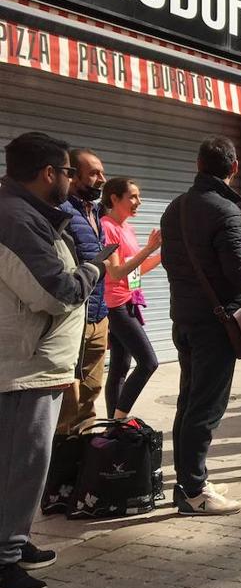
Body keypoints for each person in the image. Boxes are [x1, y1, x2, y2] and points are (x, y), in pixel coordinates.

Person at [0, 132, 105, 588]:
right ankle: (3, 562)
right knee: (20, 463)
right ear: (49, 174)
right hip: (23, 365)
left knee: (27, 461)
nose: (71, 180)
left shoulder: (28, 214)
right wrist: (91, 271)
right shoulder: (17, 218)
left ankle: (15, 542)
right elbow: (54, 291)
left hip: (32, 361)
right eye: (67, 171)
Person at [161, 136, 241, 515]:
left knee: (188, 401)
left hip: (184, 318)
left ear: (197, 164)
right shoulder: (226, 211)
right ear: (234, 168)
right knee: (206, 407)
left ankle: (190, 480)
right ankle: (193, 492)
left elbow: (169, 262)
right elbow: (238, 268)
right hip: (215, 322)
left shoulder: (174, 208)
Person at [99, 178, 162, 419]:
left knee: (119, 368)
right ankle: (119, 419)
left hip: (129, 300)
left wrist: (162, 253)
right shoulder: (107, 227)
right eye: (133, 197)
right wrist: (148, 249)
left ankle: (112, 429)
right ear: (114, 199)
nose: (139, 202)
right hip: (116, 305)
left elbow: (134, 271)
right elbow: (115, 272)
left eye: (139, 196)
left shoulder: (127, 228)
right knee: (148, 362)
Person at [57, 148, 109, 434]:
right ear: (73, 176)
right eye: (93, 173)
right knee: (69, 397)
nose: (102, 178)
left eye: (101, 171)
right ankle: (64, 463)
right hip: (74, 315)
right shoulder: (62, 211)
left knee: (92, 388)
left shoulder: (96, 211)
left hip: (98, 314)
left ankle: (87, 451)